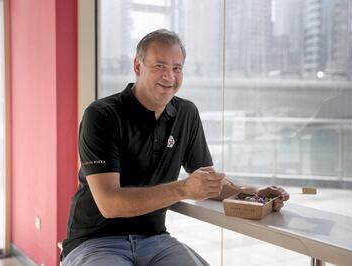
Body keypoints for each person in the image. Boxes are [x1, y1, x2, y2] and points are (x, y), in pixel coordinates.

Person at [61, 29, 289, 266]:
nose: (169, 76)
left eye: (177, 68)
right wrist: (183, 189)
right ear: (138, 67)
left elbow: (207, 182)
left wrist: (252, 192)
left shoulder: (186, 113)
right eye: (159, 66)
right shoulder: (102, 115)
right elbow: (109, 204)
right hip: (95, 242)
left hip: (154, 240)